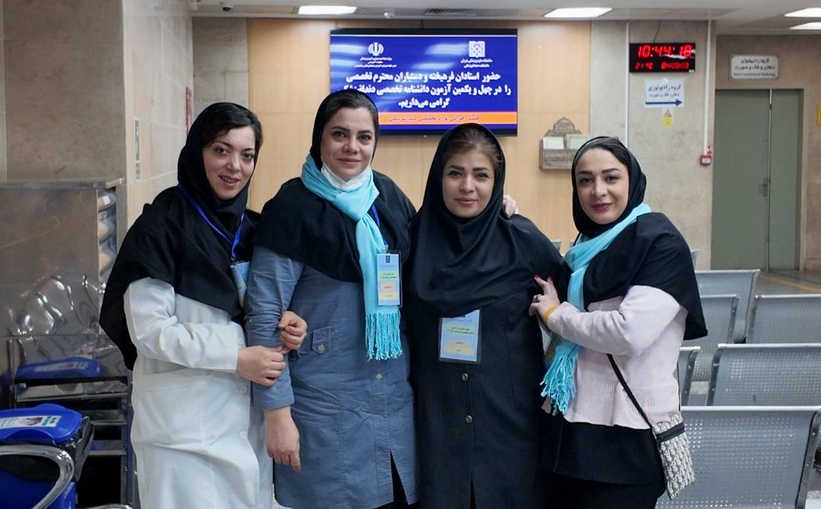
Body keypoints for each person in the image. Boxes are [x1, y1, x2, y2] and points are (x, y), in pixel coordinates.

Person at [98, 102, 307, 509]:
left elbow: (259, 309)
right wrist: (236, 357)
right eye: (221, 150)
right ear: (198, 151)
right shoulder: (160, 226)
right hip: (180, 433)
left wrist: (289, 324)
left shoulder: (251, 229)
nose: (235, 167)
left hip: (243, 424)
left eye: (247, 155)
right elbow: (150, 332)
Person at [245, 89, 418, 509]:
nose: (351, 147)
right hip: (325, 409)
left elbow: (435, 253)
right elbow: (264, 313)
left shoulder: (389, 198)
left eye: (364, 137)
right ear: (319, 137)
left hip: (393, 403)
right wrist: (277, 414)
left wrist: (497, 212)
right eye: (339, 134)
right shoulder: (291, 207)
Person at [528, 136, 706, 509]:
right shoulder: (585, 247)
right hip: (567, 430)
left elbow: (629, 332)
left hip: (625, 440)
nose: (598, 191)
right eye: (585, 180)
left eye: (611, 178)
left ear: (632, 181)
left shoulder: (660, 243)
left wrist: (558, 316)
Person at [404, 123, 567, 509]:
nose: (467, 186)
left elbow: (569, 303)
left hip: (509, 427)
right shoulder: (410, 242)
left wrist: (554, 314)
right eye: (455, 173)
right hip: (436, 428)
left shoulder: (522, 241)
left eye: (481, 175)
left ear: (497, 182)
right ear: (438, 177)